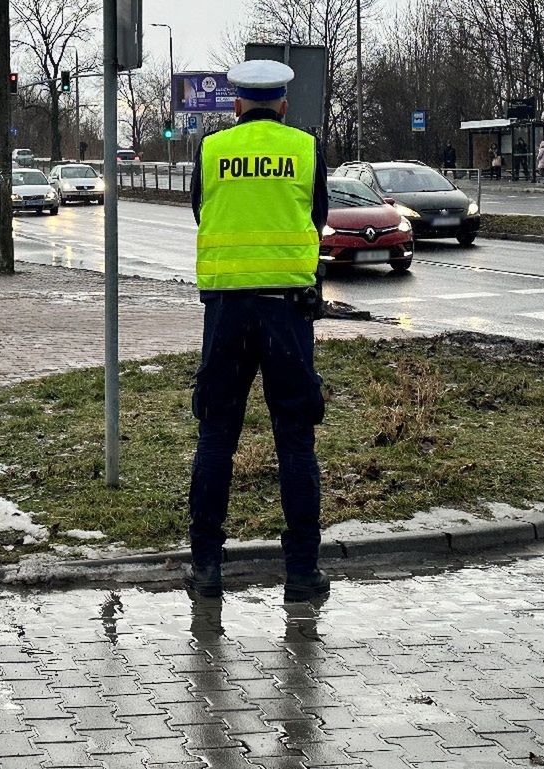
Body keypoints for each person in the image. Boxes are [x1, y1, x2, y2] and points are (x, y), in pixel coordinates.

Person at [186, 59, 330, 603]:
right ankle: (301, 574)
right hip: (287, 314)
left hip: (225, 313)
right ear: (284, 104)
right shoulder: (305, 148)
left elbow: (202, 213)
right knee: (295, 439)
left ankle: (206, 569)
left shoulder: (212, 150)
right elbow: (316, 219)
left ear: (237, 104)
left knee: (217, 434)